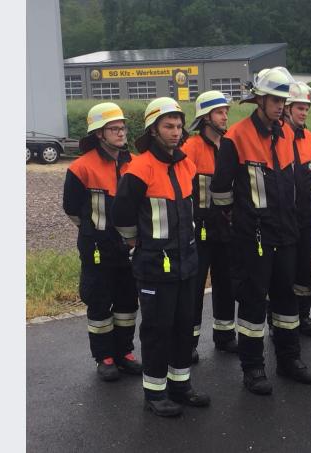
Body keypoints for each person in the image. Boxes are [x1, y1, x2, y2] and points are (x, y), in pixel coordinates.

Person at [210, 67, 311, 395]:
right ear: (258, 99)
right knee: (254, 304)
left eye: (283, 100)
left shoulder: (286, 133)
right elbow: (221, 191)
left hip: (286, 234)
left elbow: (295, 182)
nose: (280, 106)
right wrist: (240, 222)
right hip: (253, 237)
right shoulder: (237, 137)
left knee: (286, 302)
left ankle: (289, 360)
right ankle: (253, 367)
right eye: (274, 99)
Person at [112, 97, 210, 417]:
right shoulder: (139, 169)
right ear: (153, 130)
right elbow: (123, 216)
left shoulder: (186, 164)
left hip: (186, 261)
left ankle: (180, 386)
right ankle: (155, 394)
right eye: (168, 126)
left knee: (184, 327)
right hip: (154, 265)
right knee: (157, 330)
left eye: (179, 126)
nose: (175, 131)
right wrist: (137, 245)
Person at [62, 102, 142, 381]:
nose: (121, 133)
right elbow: (71, 208)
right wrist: (93, 232)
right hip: (97, 250)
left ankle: (125, 353)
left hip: (128, 249)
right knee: (99, 305)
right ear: (99, 133)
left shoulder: (133, 163)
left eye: (122, 128)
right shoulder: (81, 167)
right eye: (114, 129)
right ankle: (104, 357)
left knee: (127, 305)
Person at [181, 91, 238, 361]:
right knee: (194, 288)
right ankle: (189, 342)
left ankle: (225, 335)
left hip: (226, 229)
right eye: (219, 112)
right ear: (205, 118)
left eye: (226, 111)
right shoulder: (190, 149)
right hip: (199, 229)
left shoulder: (229, 145)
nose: (225, 116)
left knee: (226, 283)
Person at [281, 81, 311, 338]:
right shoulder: (277, 135)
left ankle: (303, 316)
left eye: (306, 108)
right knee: (284, 271)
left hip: (306, 214)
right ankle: (280, 320)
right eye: (299, 107)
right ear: (287, 108)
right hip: (284, 215)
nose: (304, 112)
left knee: (304, 268)